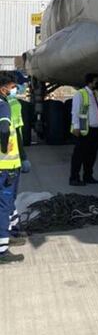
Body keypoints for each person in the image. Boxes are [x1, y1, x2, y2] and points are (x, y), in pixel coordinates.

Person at [0, 72, 24, 265]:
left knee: (8, 203)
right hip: (6, 165)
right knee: (4, 206)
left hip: (6, 165)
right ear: (3, 89)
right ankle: (2, 250)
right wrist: (4, 147)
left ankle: (13, 231)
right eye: (12, 86)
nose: (14, 89)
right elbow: (4, 129)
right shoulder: (3, 106)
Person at [69, 73, 98, 187]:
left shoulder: (96, 94)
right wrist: (76, 126)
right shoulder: (80, 94)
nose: (97, 83)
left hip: (96, 129)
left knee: (91, 155)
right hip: (85, 129)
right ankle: (74, 178)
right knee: (79, 155)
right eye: (96, 81)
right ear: (90, 82)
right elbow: (75, 111)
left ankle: (88, 176)